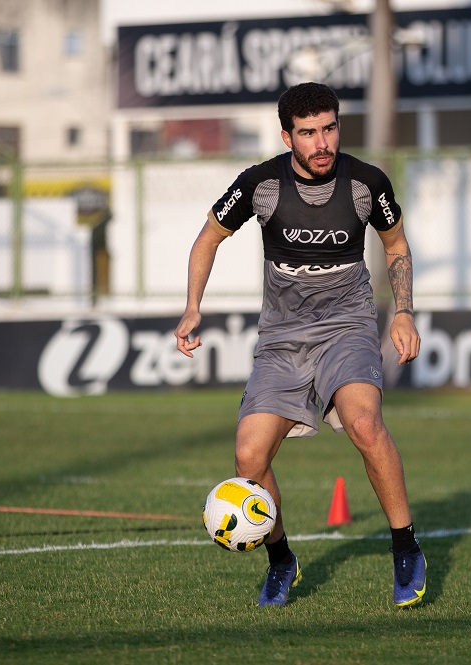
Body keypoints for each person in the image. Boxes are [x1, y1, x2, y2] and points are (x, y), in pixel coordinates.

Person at [175, 82, 425, 608]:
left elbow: (395, 243)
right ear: (286, 135)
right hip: (283, 338)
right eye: (308, 133)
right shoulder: (260, 184)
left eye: (329, 128)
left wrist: (402, 311)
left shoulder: (366, 183)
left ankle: (405, 546)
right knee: (249, 455)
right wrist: (193, 305)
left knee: (363, 422)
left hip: (348, 325)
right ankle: (281, 560)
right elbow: (208, 237)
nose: (322, 143)